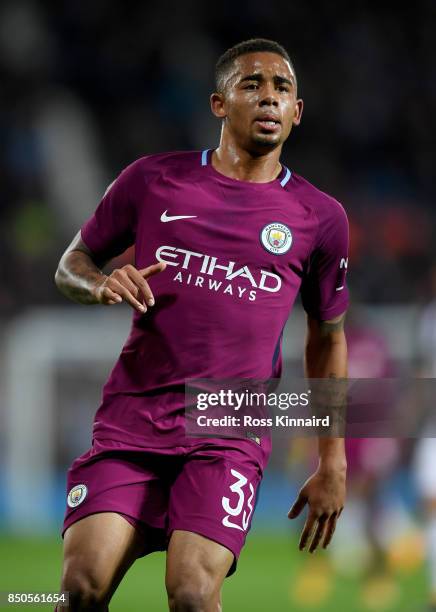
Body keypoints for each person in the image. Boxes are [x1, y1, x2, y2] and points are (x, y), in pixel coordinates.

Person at [55, 38, 349, 611]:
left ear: (297, 111)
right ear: (219, 104)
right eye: (251, 84)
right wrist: (100, 283)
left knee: (192, 592)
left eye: (281, 88)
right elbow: (71, 264)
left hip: (227, 432)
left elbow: (328, 338)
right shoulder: (152, 180)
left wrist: (332, 459)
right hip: (131, 423)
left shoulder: (320, 218)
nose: (268, 98)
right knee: (78, 587)